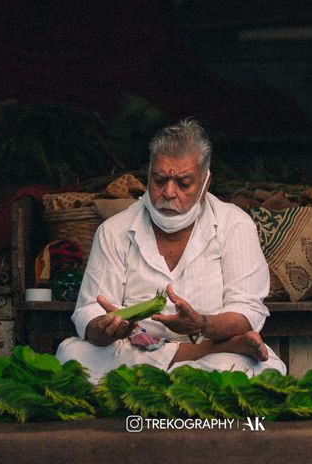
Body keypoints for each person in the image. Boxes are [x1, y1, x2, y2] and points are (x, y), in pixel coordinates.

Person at [56, 118, 286, 382]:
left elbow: (247, 312)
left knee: (248, 366)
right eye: (159, 180)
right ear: (148, 175)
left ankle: (204, 356)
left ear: (205, 184)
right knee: (72, 354)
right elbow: (90, 314)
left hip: (169, 364)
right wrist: (106, 328)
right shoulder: (114, 231)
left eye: (183, 183)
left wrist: (202, 324)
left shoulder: (234, 225)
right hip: (133, 348)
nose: (168, 192)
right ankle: (204, 353)